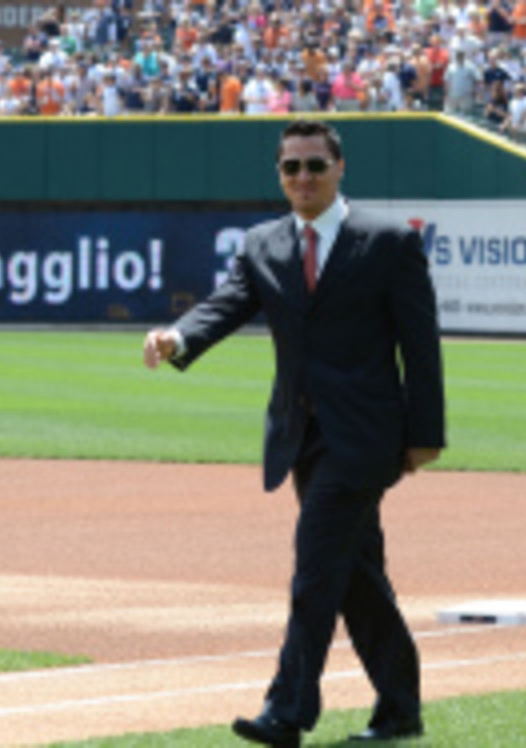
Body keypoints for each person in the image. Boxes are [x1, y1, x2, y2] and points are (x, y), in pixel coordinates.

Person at [143, 118, 445, 747]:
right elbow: (227, 304)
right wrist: (179, 337)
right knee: (355, 573)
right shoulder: (263, 243)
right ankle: (400, 709)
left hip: (366, 438)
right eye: (291, 167)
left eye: (314, 164)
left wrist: (425, 432)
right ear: (279, 175)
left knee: (314, 569)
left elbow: (420, 346)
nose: (302, 177)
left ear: (340, 168)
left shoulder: (388, 241)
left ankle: (287, 711)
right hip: (299, 437)